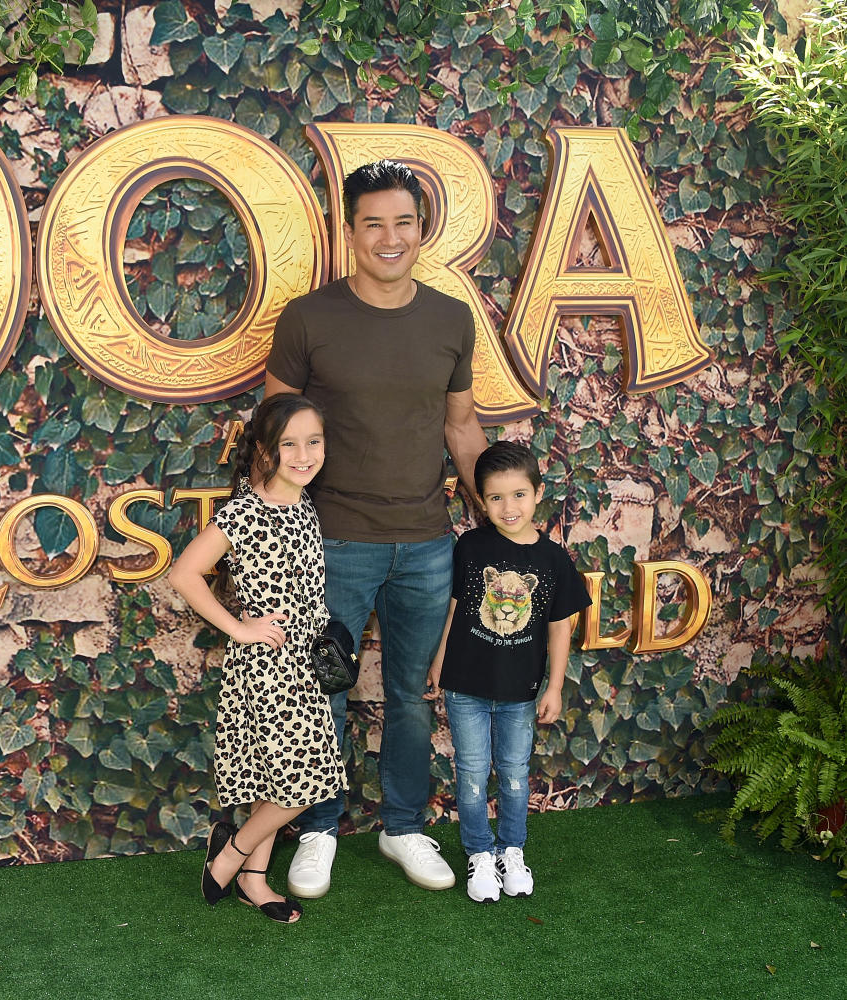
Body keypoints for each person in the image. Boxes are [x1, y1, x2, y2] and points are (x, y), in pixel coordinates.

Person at [265, 159, 489, 898]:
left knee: (408, 698)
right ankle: (318, 829)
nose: (389, 237)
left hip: (427, 542)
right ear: (350, 231)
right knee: (322, 691)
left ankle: (403, 827)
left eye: (403, 222)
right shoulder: (309, 318)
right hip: (333, 542)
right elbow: (274, 430)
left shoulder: (452, 318)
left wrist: (498, 523)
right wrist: (273, 527)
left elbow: (461, 428)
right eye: (373, 224)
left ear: (422, 228)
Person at [168, 393, 347, 924]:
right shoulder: (246, 513)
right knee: (306, 783)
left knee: (278, 778)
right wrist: (240, 629)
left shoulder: (304, 504)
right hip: (271, 667)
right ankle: (233, 851)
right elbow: (184, 574)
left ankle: (251, 878)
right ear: (265, 450)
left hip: (306, 663)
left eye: (313, 441)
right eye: (289, 444)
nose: (304, 454)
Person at [424, 440, 591, 903]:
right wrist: (440, 660)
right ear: (481, 500)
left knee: (515, 773)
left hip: (520, 691)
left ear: (538, 493)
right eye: (495, 497)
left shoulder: (554, 560)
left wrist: (554, 686)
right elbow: (457, 606)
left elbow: (561, 628)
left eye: (518, 494)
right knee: (473, 773)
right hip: (466, 686)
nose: (508, 506)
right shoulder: (472, 546)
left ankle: (512, 850)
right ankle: (480, 854)